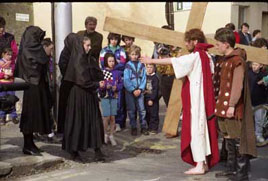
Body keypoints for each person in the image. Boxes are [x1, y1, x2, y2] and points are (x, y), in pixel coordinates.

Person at [140, 28, 220, 174]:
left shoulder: (195, 56)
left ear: (195, 41)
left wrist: (150, 60)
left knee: (197, 130)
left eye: (187, 41)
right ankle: (205, 162)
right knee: (204, 130)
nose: (185, 44)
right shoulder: (207, 57)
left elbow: (173, 61)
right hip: (205, 98)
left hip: (197, 99)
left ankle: (200, 164)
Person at [213, 27, 257, 181]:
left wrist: (231, 105)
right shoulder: (223, 60)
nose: (216, 46)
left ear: (226, 44)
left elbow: (237, 85)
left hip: (232, 108)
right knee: (228, 139)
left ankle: (241, 173)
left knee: (237, 140)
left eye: (218, 44)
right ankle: (231, 169)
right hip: (222, 107)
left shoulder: (237, 61)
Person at [61, 34, 106, 162]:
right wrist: (97, 84)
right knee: (78, 122)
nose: (89, 47)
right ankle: (74, 151)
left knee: (94, 122)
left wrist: (100, 80)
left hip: (90, 94)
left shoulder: (89, 58)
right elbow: (82, 80)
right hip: (78, 96)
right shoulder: (77, 60)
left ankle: (97, 150)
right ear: (81, 46)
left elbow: (96, 72)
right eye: (87, 45)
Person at [14, 26, 52, 156]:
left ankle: (30, 144)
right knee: (30, 116)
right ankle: (27, 145)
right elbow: (37, 64)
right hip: (32, 87)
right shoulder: (29, 50)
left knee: (34, 116)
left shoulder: (32, 48)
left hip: (36, 86)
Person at [100, 33, 127, 131]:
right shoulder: (104, 50)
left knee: (119, 102)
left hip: (118, 76)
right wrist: (114, 64)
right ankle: (107, 124)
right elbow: (103, 63)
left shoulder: (121, 50)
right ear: (109, 40)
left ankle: (118, 122)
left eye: (116, 39)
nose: (114, 41)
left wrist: (113, 66)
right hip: (107, 77)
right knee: (108, 101)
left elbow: (123, 63)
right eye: (112, 39)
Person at [124, 45, 149, 136]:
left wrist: (141, 89)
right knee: (131, 110)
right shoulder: (127, 66)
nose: (134, 56)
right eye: (132, 54)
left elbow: (144, 78)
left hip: (140, 91)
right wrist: (133, 89)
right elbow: (126, 80)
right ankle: (133, 127)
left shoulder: (141, 65)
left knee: (142, 110)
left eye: (136, 54)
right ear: (129, 55)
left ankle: (143, 126)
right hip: (130, 92)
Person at [99, 53, 123, 146]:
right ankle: (105, 134)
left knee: (113, 117)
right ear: (106, 61)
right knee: (106, 117)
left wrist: (116, 87)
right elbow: (100, 85)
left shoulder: (117, 73)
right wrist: (105, 86)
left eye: (113, 61)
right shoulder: (103, 72)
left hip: (114, 96)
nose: (112, 63)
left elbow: (121, 84)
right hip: (105, 97)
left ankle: (111, 135)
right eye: (110, 61)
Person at [248, 38, 268, 147]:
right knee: (251, 119)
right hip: (251, 98)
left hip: (261, 98)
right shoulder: (249, 69)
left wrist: (265, 80)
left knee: (260, 119)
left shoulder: (263, 72)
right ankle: (251, 136)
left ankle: (258, 134)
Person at [57, 33, 76, 135]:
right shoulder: (65, 53)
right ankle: (63, 130)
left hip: (75, 84)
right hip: (67, 83)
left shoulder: (77, 52)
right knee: (65, 108)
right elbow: (63, 66)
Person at [0, 48, 18, 125]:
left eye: (11, 55)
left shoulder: (12, 63)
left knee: (12, 99)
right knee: (2, 100)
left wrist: (12, 75)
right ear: (3, 54)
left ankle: (13, 116)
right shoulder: (0, 63)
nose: (10, 56)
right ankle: (2, 116)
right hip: (2, 84)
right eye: (8, 54)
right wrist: (4, 75)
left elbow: (15, 71)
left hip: (11, 84)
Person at [144, 63, 159, 134]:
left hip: (153, 99)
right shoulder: (145, 77)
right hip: (145, 98)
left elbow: (155, 90)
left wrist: (152, 99)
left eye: (151, 67)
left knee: (154, 114)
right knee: (147, 114)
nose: (149, 69)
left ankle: (154, 128)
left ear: (154, 68)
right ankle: (149, 127)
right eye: (148, 67)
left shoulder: (155, 78)